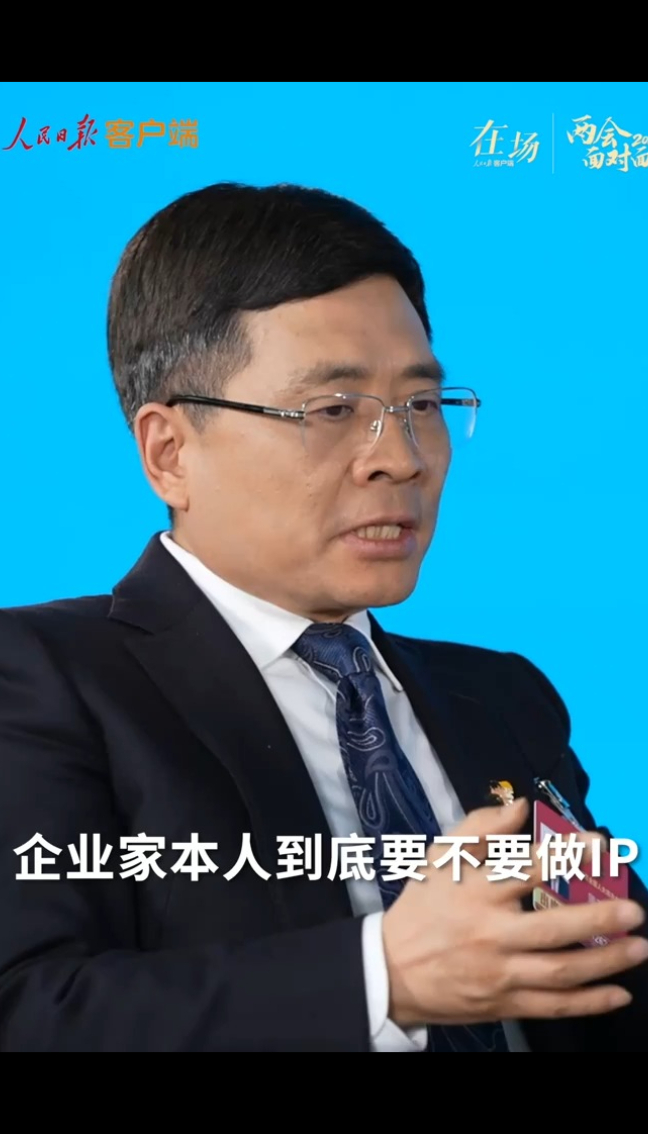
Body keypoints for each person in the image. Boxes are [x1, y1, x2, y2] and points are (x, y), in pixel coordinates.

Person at [0, 182, 646, 1053]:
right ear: (169, 452)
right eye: (333, 411)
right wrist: (386, 979)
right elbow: (29, 1009)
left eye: (422, 406)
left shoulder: (503, 699)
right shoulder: (41, 680)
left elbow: (614, 969)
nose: (400, 460)